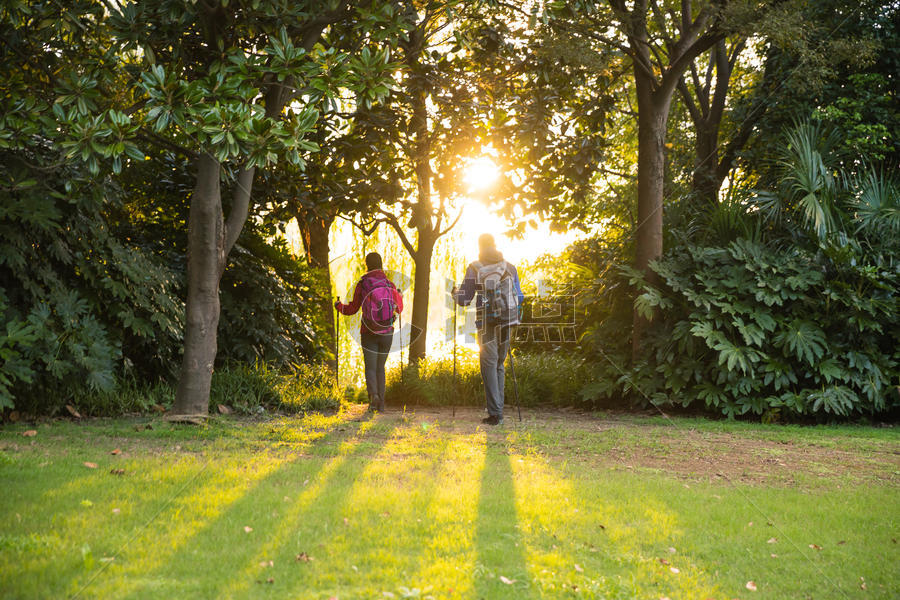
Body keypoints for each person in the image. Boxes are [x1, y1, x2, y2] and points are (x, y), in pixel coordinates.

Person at [452, 234, 524, 425]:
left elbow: (464, 299)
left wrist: (454, 294)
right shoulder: (509, 267)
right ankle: (498, 411)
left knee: (489, 365)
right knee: (499, 364)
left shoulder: (475, 267)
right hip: (507, 320)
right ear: (495, 245)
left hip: (486, 322)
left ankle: (495, 414)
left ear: (480, 246)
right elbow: (519, 296)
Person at [335, 252, 403, 412]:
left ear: (367, 265)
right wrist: (399, 295)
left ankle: (374, 397)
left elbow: (352, 309)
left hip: (369, 331)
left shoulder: (363, 283)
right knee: (381, 367)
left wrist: (339, 305)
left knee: (371, 367)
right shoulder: (389, 284)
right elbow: (399, 308)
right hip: (387, 332)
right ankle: (382, 404)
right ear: (381, 264)